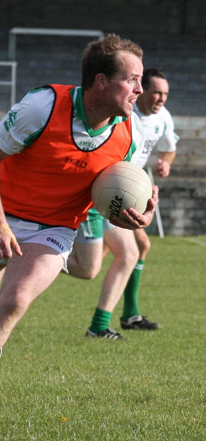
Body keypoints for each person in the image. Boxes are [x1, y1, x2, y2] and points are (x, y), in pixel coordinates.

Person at [0, 33, 156, 411]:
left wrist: (140, 213)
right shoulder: (43, 106)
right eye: (132, 79)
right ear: (101, 81)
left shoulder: (131, 133)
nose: (140, 89)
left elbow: (129, 193)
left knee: (15, 301)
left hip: (56, 226)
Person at [69, 68, 178, 339]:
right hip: (108, 191)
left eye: (165, 94)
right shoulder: (124, 115)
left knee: (130, 251)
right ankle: (33, 253)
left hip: (126, 191)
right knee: (95, 265)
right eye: (156, 92)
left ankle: (112, 320)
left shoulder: (162, 118)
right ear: (141, 90)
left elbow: (169, 147)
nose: (161, 98)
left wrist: (165, 163)